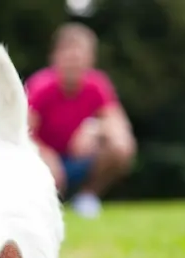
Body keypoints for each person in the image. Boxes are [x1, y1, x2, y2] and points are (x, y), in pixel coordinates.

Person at [25, 22, 137, 218]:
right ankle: (42, 201)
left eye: (79, 55)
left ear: (90, 59)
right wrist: (44, 153)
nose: (74, 61)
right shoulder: (40, 86)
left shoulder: (97, 85)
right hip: (44, 161)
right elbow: (20, 133)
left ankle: (86, 197)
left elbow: (119, 126)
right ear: (55, 57)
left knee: (121, 146)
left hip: (78, 161)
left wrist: (94, 128)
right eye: (68, 54)